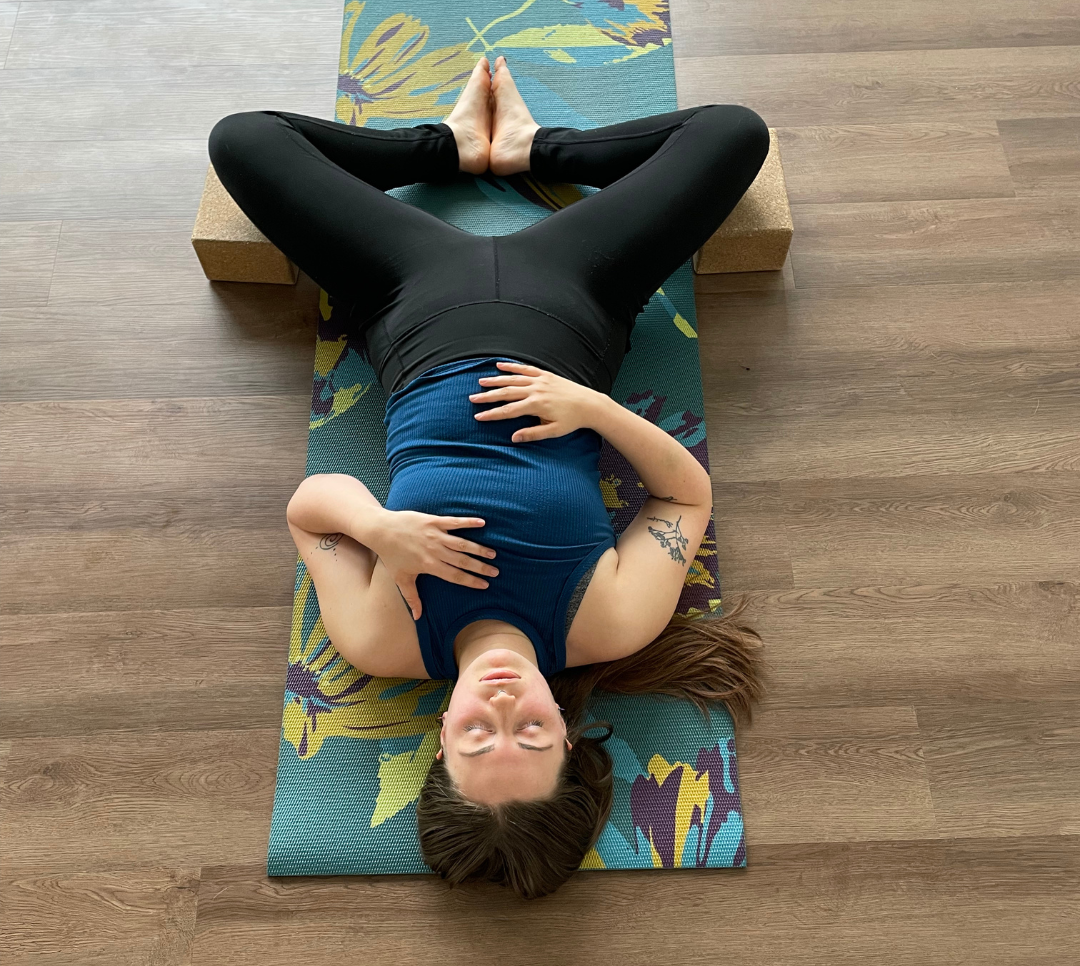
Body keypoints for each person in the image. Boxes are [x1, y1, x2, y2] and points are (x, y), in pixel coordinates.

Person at [208, 55, 767, 898]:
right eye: (532, 735)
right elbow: (685, 496)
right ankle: (536, 151)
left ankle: (449, 147)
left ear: (440, 741)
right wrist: (593, 410)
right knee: (733, 133)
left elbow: (309, 512)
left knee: (244, 140)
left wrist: (375, 527)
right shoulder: (611, 624)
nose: (503, 708)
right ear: (570, 741)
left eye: (478, 739)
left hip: (409, 302)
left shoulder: (382, 640)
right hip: (574, 303)